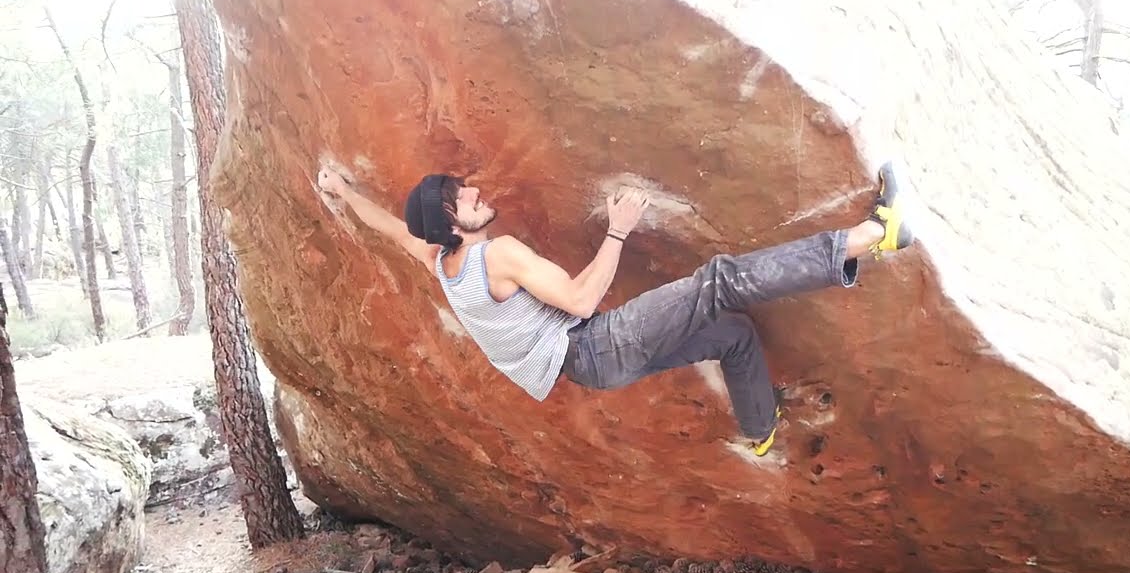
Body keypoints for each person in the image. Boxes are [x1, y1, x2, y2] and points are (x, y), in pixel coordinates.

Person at [317, 162, 912, 457]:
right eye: (461, 198)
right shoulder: (498, 255)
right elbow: (578, 299)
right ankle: (870, 237)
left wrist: (343, 193)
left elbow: (395, 231)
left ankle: (759, 431)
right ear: (453, 222)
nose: (473, 192)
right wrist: (618, 231)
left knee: (732, 333)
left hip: (592, 368)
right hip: (596, 343)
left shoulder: (441, 261)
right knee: (719, 281)